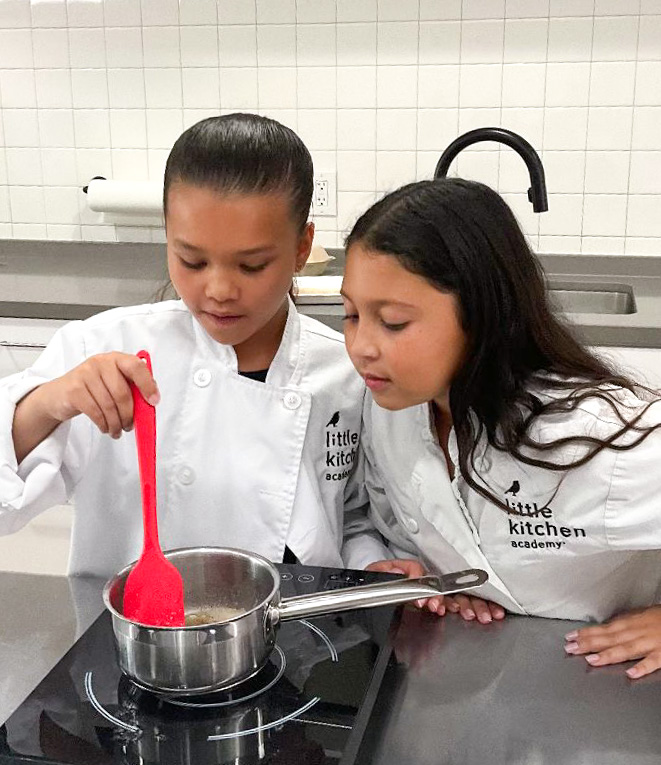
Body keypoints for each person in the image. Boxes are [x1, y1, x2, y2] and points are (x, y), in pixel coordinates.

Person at [0, 113, 397, 581]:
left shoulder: (347, 372)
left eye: (252, 265)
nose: (219, 290)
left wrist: (376, 565)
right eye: (192, 260)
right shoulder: (104, 347)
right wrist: (48, 403)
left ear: (301, 247)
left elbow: (352, 519)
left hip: (302, 631)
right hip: (130, 635)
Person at [340, 177, 661, 677]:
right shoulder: (391, 410)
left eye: (394, 322)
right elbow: (384, 519)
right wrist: (426, 573)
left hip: (613, 687)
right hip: (489, 673)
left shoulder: (594, 437)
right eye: (351, 315)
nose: (360, 345)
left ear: (480, 314)